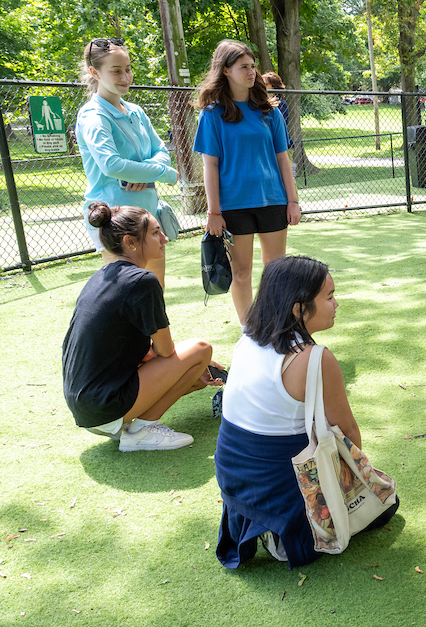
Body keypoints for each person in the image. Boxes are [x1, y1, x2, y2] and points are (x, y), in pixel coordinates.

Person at [213, 255, 399, 568]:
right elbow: (349, 434)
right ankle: (289, 530)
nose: (337, 303)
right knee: (385, 504)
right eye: (329, 296)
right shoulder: (315, 358)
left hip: (233, 478)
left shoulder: (246, 338)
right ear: (299, 308)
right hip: (281, 487)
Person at [62, 203, 218, 451]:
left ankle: (134, 426)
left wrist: (190, 370)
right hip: (104, 406)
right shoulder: (142, 281)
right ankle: (142, 430)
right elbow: (166, 351)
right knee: (200, 350)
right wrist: (194, 363)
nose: (164, 238)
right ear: (130, 242)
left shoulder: (100, 277)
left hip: (84, 407)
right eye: (156, 233)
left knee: (195, 366)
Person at [194, 39, 302, 325]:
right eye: (244, 67)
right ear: (226, 70)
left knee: (275, 270)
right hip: (233, 206)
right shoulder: (211, 115)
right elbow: (210, 166)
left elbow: (283, 159)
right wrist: (213, 212)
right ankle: (249, 331)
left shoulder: (270, 111)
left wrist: (293, 201)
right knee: (241, 272)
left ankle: (278, 327)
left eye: (253, 66)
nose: (251, 72)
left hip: (273, 200)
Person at [75, 38, 178, 286]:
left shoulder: (136, 111)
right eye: (116, 70)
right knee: (125, 298)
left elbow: (160, 150)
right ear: (94, 72)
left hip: (147, 217)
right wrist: (163, 173)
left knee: (155, 296)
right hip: (115, 222)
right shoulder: (93, 115)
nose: (126, 76)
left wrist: (143, 173)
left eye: (128, 68)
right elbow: (111, 165)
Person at [261, 71, 294, 149]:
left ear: (274, 87)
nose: (262, 86)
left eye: (265, 84)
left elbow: (280, 125)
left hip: (281, 146)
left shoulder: (280, 104)